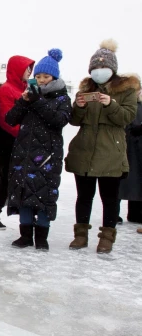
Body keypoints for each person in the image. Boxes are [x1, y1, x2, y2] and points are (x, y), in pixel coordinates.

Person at [66, 39, 139, 254]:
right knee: (84, 196)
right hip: (84, 150)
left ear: (113, 68)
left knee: (109, 197)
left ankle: (107, 236)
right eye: (95, 68)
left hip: (111, 152)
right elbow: (75, 121)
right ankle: (80, 235)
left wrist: (111, 104)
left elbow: (127, 117)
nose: (99, 71)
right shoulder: (85, 88)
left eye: (103, 67)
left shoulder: (126, 90)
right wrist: (78, 106)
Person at [5, 49, 71, 251]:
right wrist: (23, 102)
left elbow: (59, 120)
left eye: (46, 76)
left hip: (47, 157)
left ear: (55, 77)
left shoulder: (62, 99)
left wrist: (38, 101)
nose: (41, 80)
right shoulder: (29, 96)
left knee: (44, 196)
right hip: (24, 155)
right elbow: (10, 119)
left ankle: (42, 237)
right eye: (38, 76)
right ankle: (25, 235)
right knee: (24, 194)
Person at [0, 55, 35, 230]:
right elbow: (5, 119)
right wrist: (26, 132)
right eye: (27, 68)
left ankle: (23, 214)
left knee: (19, 179)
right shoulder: (6, 89)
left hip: (21, 141)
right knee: (6, 180)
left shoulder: (25, 88)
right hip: (8, 141)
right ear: (18, 69)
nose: (29, 71)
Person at [118, 88, 142, 223]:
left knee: (137, 181)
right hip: (123, 146)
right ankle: (114, 213)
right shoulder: (121, 104)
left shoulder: (140, 105)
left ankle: (135, 212)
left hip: (138, 148)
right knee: (120, 181)